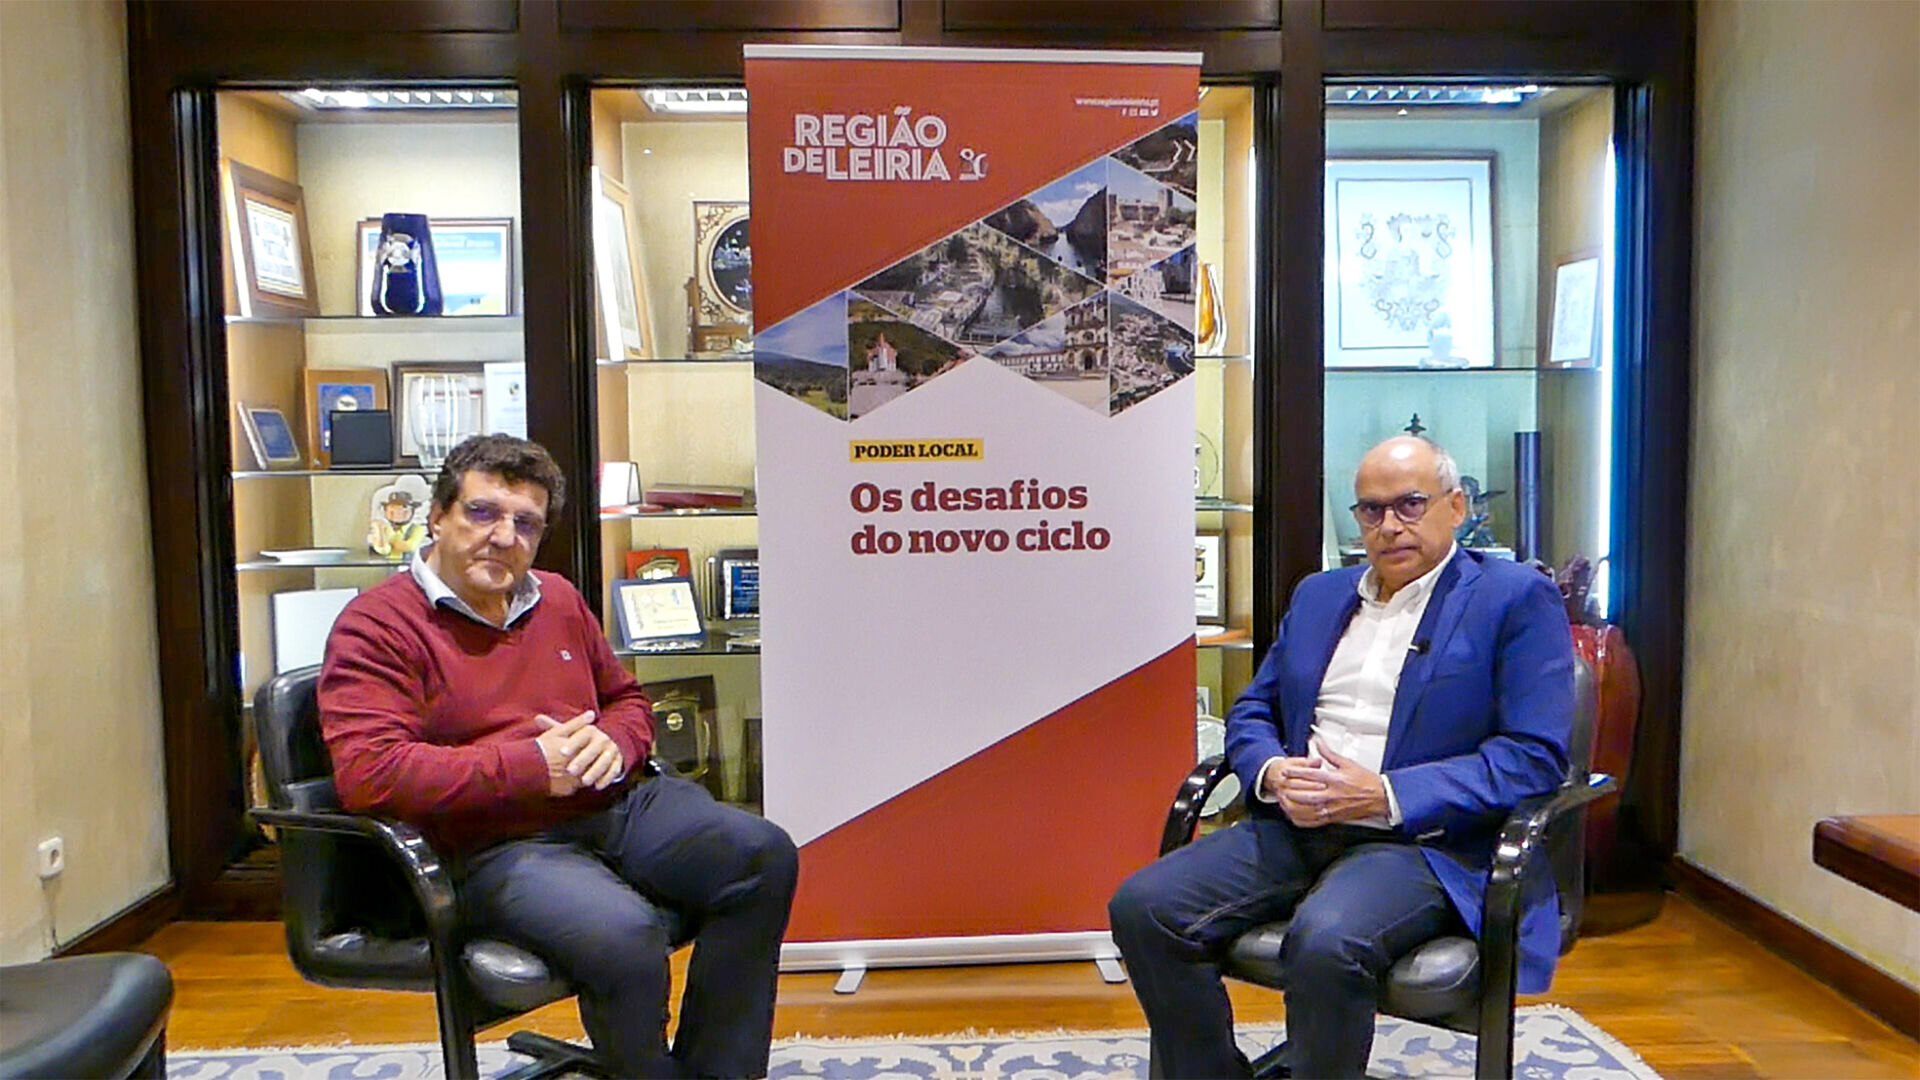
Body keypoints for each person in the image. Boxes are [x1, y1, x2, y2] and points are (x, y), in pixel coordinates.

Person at [319, 433, 798, 1079]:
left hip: (615, 804)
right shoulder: (376, 625)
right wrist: (529, 765)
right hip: (494, 842)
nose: (503, 536)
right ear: (437, 517)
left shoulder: (558, 598)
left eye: (526, 523)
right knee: (624, 934)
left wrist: (614, 741)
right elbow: (371, 776)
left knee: (761, 855)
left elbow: (627, 700)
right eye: (482, 512)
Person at [1109, 436, 1575, 1078]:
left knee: (1326, 941)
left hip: (1422, 844)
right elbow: (1254, 709)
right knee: (1143, 907)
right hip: (1296, 825)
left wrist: (1384, 794)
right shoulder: (1320, 595)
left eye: (1410, 504)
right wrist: (1272, 772)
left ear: (1456, 506)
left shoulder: (1514, 598)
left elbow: (1532, 757)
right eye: (1371, 510)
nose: (1390, 526)